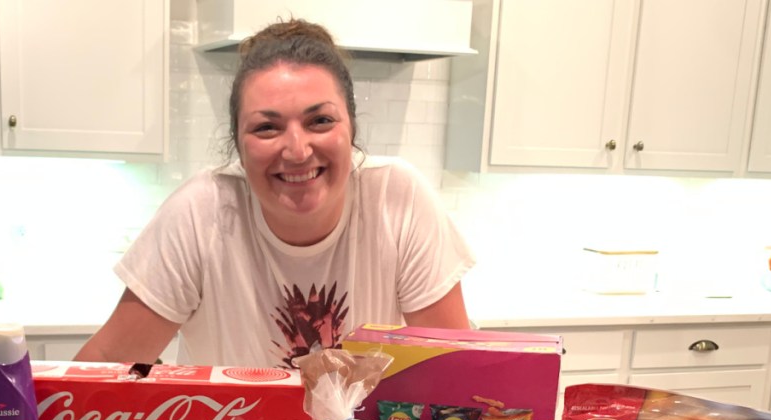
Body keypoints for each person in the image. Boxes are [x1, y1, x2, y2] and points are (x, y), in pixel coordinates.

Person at [74, 19, 474, 369]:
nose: (298, 150)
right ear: (239, 145)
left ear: (351, 129)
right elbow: (102, 369)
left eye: (320, 121)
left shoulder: (398, 198)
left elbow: (453, 369)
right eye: (267, 127)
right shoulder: (200, 213)